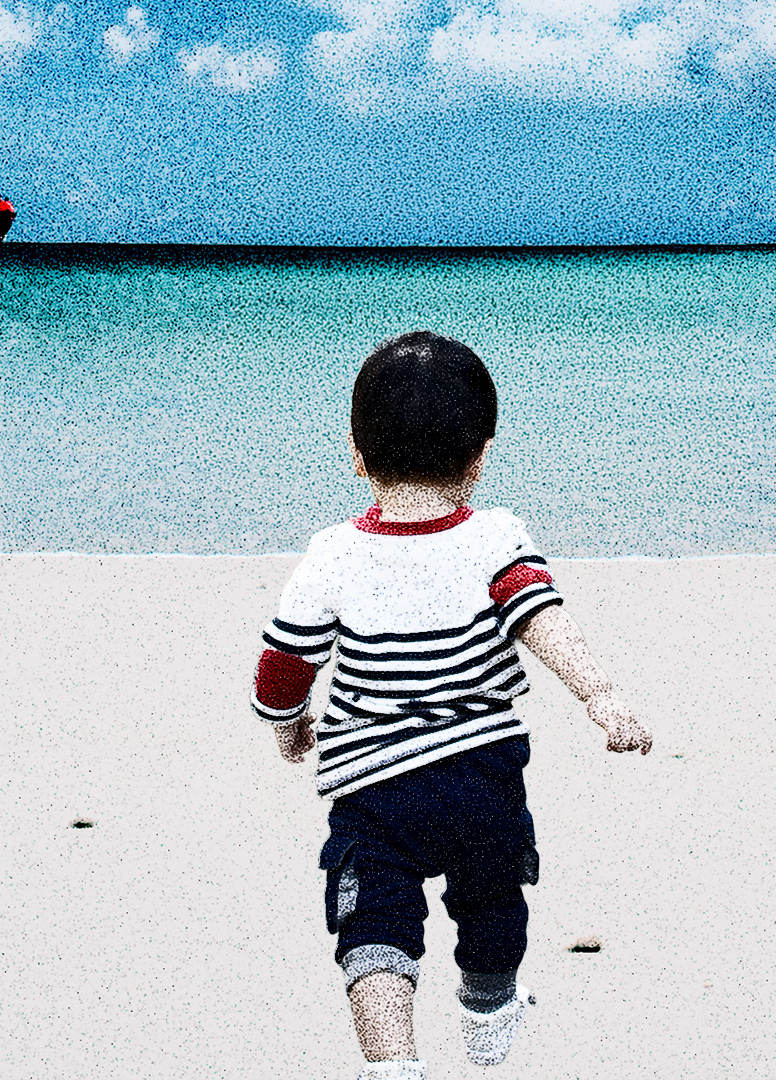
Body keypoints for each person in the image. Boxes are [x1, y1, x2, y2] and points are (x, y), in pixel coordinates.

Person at [253, 331, 652, 1079]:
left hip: (373, 790)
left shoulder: (331, 554)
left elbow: (283, 663)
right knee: (494, 902)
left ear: (357, 454)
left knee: (374, 927)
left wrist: (288, 725)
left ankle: (394, 1065)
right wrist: (599, 694)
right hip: (482, 779)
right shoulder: (496, 536)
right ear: (480, 457)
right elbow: (539, 615)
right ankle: (488, 1013)